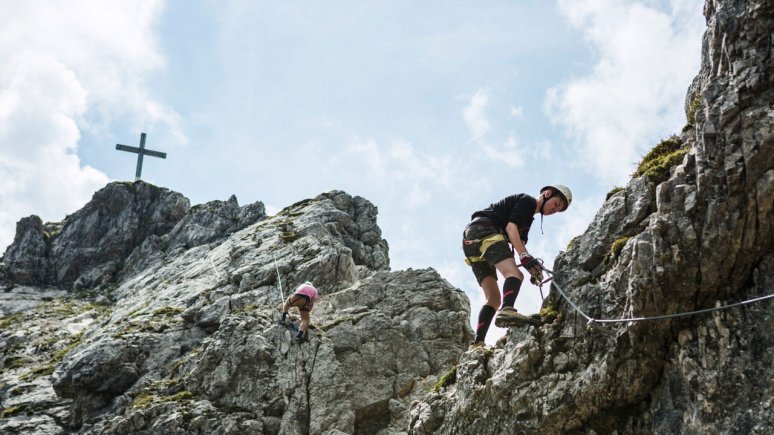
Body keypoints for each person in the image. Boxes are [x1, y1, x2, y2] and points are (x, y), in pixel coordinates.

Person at [463, 185, 572, 348]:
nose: (553, 210)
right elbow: (510, 228)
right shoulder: (527, 202)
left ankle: (477, 343)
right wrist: (525, 257)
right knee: (515, 274)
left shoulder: (527, 222)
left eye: (558, 210)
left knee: (493, 298)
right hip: (485, 230)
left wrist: (532, 268)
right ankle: (507, 310)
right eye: (556, 204)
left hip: (471, 241)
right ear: (547, 194)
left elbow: (519, 243)